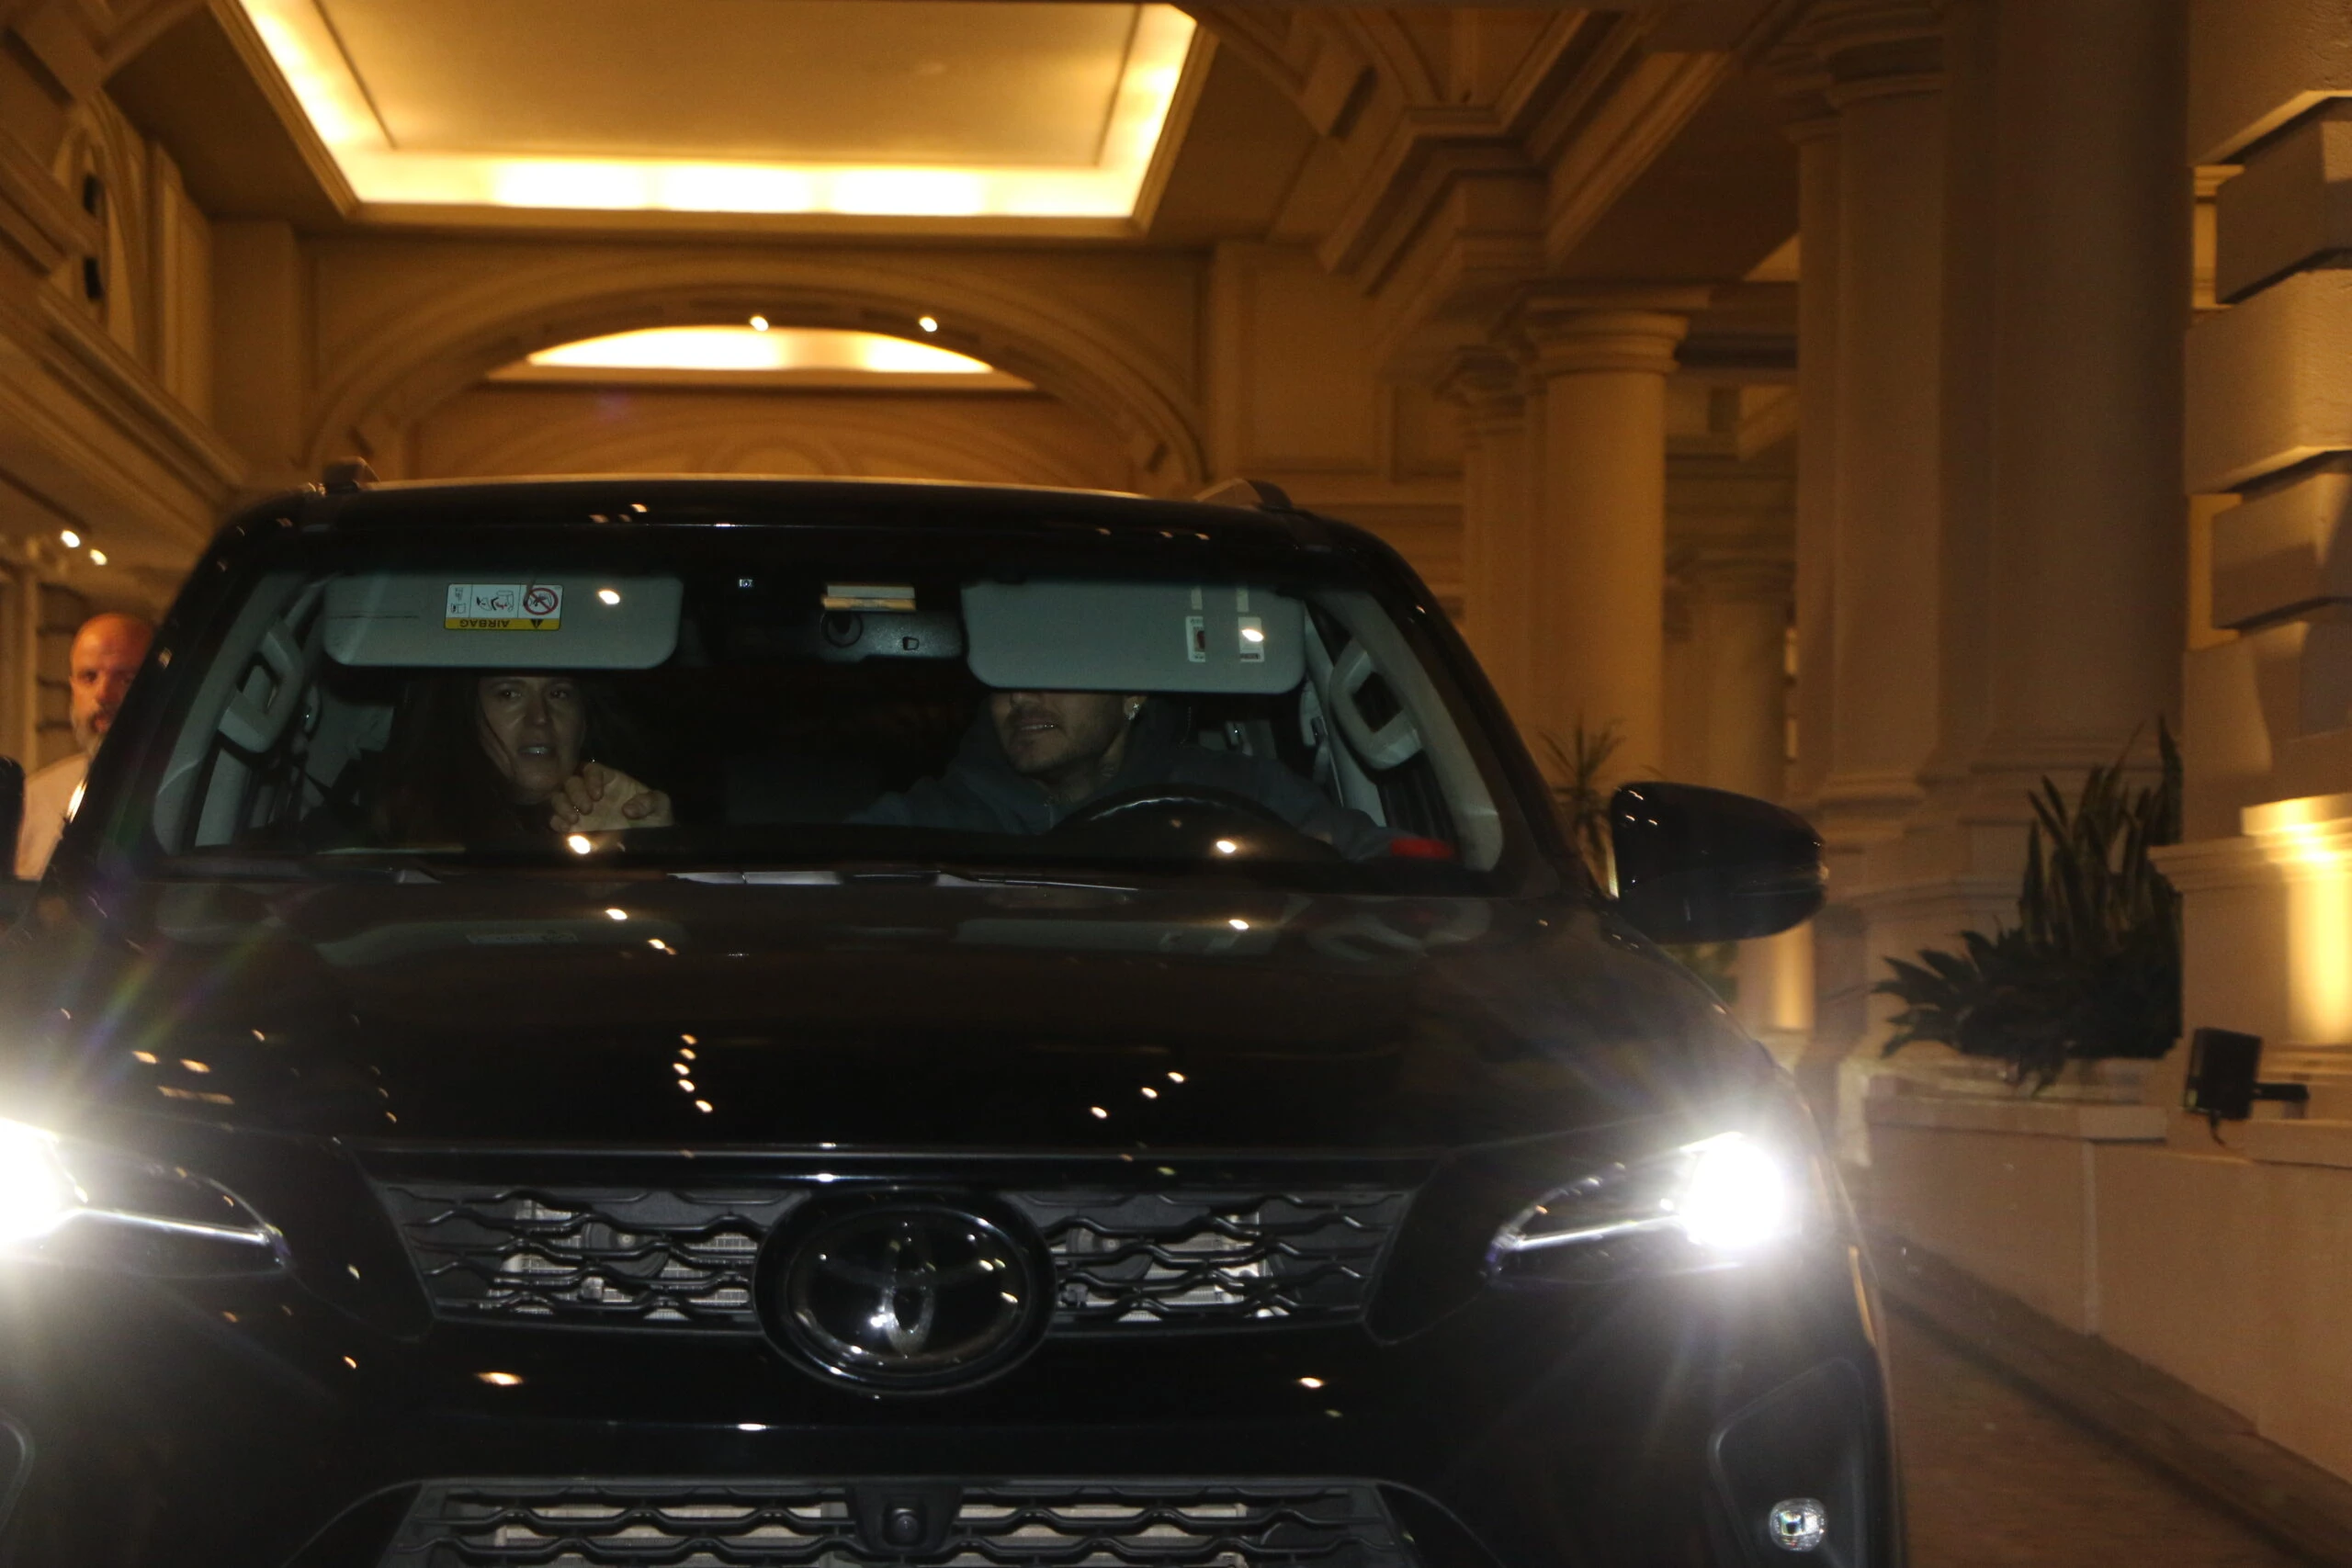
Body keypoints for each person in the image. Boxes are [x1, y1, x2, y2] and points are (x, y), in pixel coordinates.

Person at [856, 690, 1395, 859]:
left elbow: (1386, 863)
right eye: (1004, 676)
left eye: (1054, 668)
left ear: (1131, 695)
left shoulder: (1243, 793)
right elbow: (832, 882)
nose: (1020, 696)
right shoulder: (935, 819)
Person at [373, 672, 672, 846]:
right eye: (508, 694)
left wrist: (648, 850)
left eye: (559, 693)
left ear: (583, 724)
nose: (539, 717)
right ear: (466, 718)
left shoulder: (609, 808)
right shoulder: (411, 836)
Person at [17, 612, 151, 879]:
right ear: (72, 686)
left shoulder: (196, 791)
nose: (103, 694)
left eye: (127, 678)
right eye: (89, 677)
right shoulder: (34, 800)